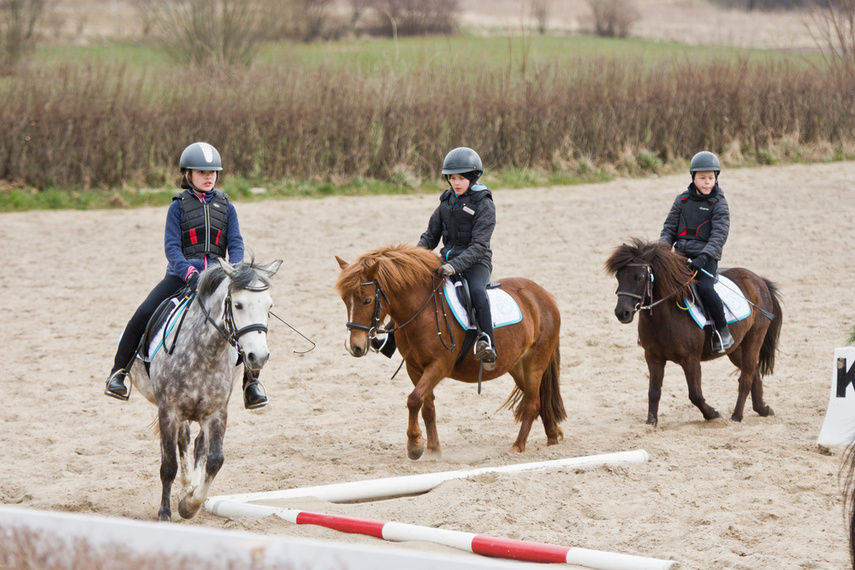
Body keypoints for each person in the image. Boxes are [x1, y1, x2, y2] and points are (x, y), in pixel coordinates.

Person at [105, 141, 269, 409]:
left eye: (213, 172)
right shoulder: (178, 207)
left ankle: (252, 384)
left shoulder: (226, 206)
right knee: (142, 314)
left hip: (218, 277)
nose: (209, 177)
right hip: (181, 277)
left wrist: (235, 269)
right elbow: (172, 248)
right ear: (187, 175)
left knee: (249, 315)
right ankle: (119, 373)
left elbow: (236, 243)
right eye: (202, 172)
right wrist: (189, 272)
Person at [417, 147, 498, 370]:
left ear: (472, 178)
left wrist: (454, 266)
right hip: (446, 262)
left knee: (478, 292)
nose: (456, 183)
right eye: (452, 178)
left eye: (461, 178)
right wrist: (413, 259)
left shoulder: (484, 204)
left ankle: (487, 341)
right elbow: (430, 237)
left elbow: (479, 246)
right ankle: (390, 337)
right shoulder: (445, 202)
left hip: (476, 262)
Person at [660, 150, 734, 353]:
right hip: (680, 256)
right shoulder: (681, 200)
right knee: (656, 282)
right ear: (693, 177)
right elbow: (668, 229)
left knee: (706, 288)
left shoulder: (719, 204)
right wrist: (662, 250)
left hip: (706, 259)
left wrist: (703, 258)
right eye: (702, 178)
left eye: (711, 178)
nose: (707, 182)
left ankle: (722, 329)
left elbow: (719, 236)